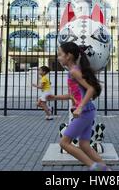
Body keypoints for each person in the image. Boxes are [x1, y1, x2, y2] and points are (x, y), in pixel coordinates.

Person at [47, 42, 110, 171]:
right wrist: (55, 97)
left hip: (84, 112)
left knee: (64, 143)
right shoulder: (72, 72)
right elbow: (72, 95)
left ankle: (94, 167)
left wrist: (80, 107)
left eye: (60, 54)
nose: (58, 58)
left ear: (68, 56)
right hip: (88, 111)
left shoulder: (74, 71)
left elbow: (91, 88)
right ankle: (105, 170)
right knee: (84, 144)